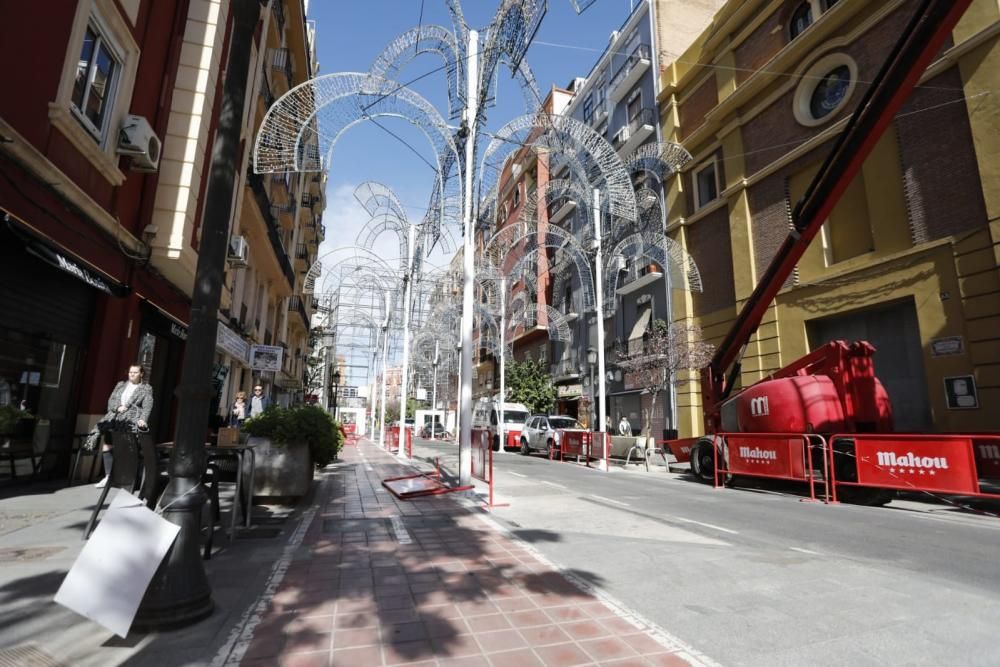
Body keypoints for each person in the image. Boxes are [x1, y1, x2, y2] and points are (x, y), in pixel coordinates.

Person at [95, 364, 153, 489]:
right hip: (115, 419)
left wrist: (143, 419)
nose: (131, 374)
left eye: (135, 372)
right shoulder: (120, 385)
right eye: (130, 372)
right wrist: (117, 408)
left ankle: (127, 478)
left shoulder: (146, 388)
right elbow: (111, 401)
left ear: (141, 374)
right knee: (107, 445)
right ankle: (108, 476)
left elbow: (147, 405)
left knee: (127, 447)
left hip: (130, 420)